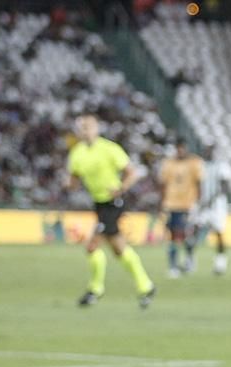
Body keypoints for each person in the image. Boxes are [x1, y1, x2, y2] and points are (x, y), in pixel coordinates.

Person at [65, 114, 156, 308]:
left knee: (92, 246)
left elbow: (132, 172)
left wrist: (121, 188)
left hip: (113, 201)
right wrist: (69, 185)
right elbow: (74, 179)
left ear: (97, 129)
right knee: (118, 248)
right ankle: (146, 286)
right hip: (98, 203)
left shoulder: (109, 149)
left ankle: (95, 290)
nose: (85, 131)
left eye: (88, 127)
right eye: (82, 128)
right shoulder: (77, 153)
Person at [158, 138, 204, 278]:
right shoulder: (168, 163)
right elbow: (163, 185)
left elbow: (199, 183)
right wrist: (161, 203)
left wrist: (198, 203)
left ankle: (189, 258)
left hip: (188, 204)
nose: (180, 150)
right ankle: (173, 266)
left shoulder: (194, 162)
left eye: (183, 147)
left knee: (184, 235)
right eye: (178, 148)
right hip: (171, 204)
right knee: (172, 236)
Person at [192, 144, 231, 275]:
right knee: (194, 230)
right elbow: (197, 184)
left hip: (217, 206)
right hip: (202, 204)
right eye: (206, 150)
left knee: (219, 233)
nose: (207, 153)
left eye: (210, 150)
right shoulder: (201, 166)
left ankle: (220, 264)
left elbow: (225, 187)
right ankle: (190, 261)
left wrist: (212, 199)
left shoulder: (222, 166)